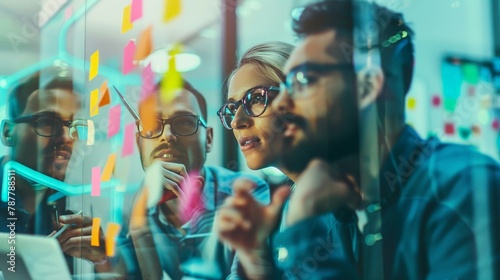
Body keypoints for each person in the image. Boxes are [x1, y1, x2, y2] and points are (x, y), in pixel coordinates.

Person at [265, 0, 500, 279]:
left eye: (301, 80)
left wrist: (304, 238)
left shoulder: (461, 189)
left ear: (367, 87)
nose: (279, 104)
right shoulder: (322, 202)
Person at [215, 41, 359, 279]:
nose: (237, 121)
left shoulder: (349, 201)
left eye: (255, 99)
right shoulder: (275, 214)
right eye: (231, 108)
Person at [117, 79, 271, 279]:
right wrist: (139, 230)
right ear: (139, 143)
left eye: (184, 122)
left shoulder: (247, 194)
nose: (167, 135)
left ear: (208, 139)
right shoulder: (129, 208)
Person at [0, 70, 109, 273]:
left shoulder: (73, 204)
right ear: (8, 133)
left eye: (75, 126)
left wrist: (101, 259)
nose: (67, 137)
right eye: (48, 122)